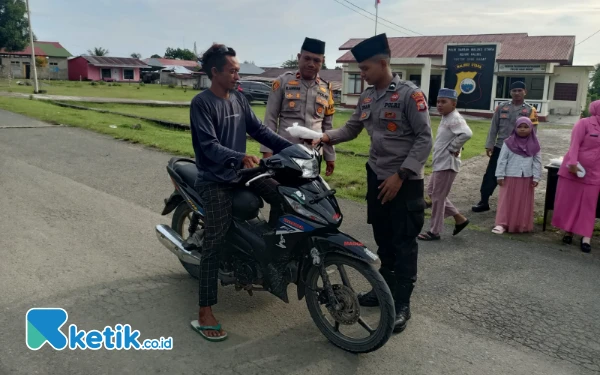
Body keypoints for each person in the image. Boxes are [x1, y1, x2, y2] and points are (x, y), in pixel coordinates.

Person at [320, 33, 432, 333]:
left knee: (404, 242)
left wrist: (401, 175)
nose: (362, 75)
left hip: (405, 181)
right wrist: (325, 137)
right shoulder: (368, 97)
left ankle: (402, 303)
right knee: (384, 238)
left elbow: (424, 139)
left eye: (366, 69)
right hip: (377, 176)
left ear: (383, 63)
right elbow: (354, 127)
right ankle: (383, 290)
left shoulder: (410, 95)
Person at [185, 43, 293, 342]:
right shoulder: (201, 103)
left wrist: (293, 148)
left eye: (237, 69)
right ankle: (205, 310)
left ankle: (271, 258)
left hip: (240, 172)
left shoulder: (239, 99)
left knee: (283, 197)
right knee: (214, 240)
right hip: (215, 179)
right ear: (215, 72)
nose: (237, 75)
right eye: (232, 70)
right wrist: (239, 157)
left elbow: (260, 131)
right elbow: (208, 146)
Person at [260, 37, 336, 176]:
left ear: (323, 62)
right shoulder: (282, 82)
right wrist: (267, 153)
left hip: (313, 154)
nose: (311, 64)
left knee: (311, 194)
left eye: (316, 60)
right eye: (307, 58)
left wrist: (330, 156)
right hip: (285, 152)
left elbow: (328, 127)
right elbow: (270, 120)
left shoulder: (326, 88)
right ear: (299, 57)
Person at [472, 81, 539, 213]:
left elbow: (533, 131)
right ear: (510, 92)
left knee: (515, 175)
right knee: (491, 174)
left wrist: (529, 149)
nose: (517, 93)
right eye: (514, 90)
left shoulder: (531, 110)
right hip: (500, 146)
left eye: (520, 90)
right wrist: (489, 144)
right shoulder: (501, 107)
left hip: (519, 150)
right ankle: (484, 201)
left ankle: (513, 205)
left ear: (525, 92)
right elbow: (494, 127)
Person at [417, 88, 472, 241]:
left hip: (447, 164)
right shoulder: (447, 117)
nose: (439, 105)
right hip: (440, 163)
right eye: (438, 102)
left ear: (453, 104)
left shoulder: (454, 118)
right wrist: (455, 145)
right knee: (433, 193)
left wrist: (454, 147)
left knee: (438, 198)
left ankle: (434, 231)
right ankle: (460, 219)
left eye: (444, 102)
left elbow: (466, 133)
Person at [552, 99, 600, 253]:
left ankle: (586, 236)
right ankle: (568, 232)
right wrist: (572, 163)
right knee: (571, 202)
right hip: (576, 170)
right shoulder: (584, 123)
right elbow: (574, 144)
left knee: (589, 205)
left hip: (595, 173)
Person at [492, 117, 542, 234]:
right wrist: (500, 175)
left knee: (523, 201)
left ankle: (521, 224)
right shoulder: (508, 142)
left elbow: (537, 161)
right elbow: (502, 160)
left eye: (526, 127)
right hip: (510, 175)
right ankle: (502, 224)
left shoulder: (535, 144)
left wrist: (536, 177)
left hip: (526, 177)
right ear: (515, 128)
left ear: (531, 128)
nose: (522, 130)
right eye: (520, 127)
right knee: (506, 199)